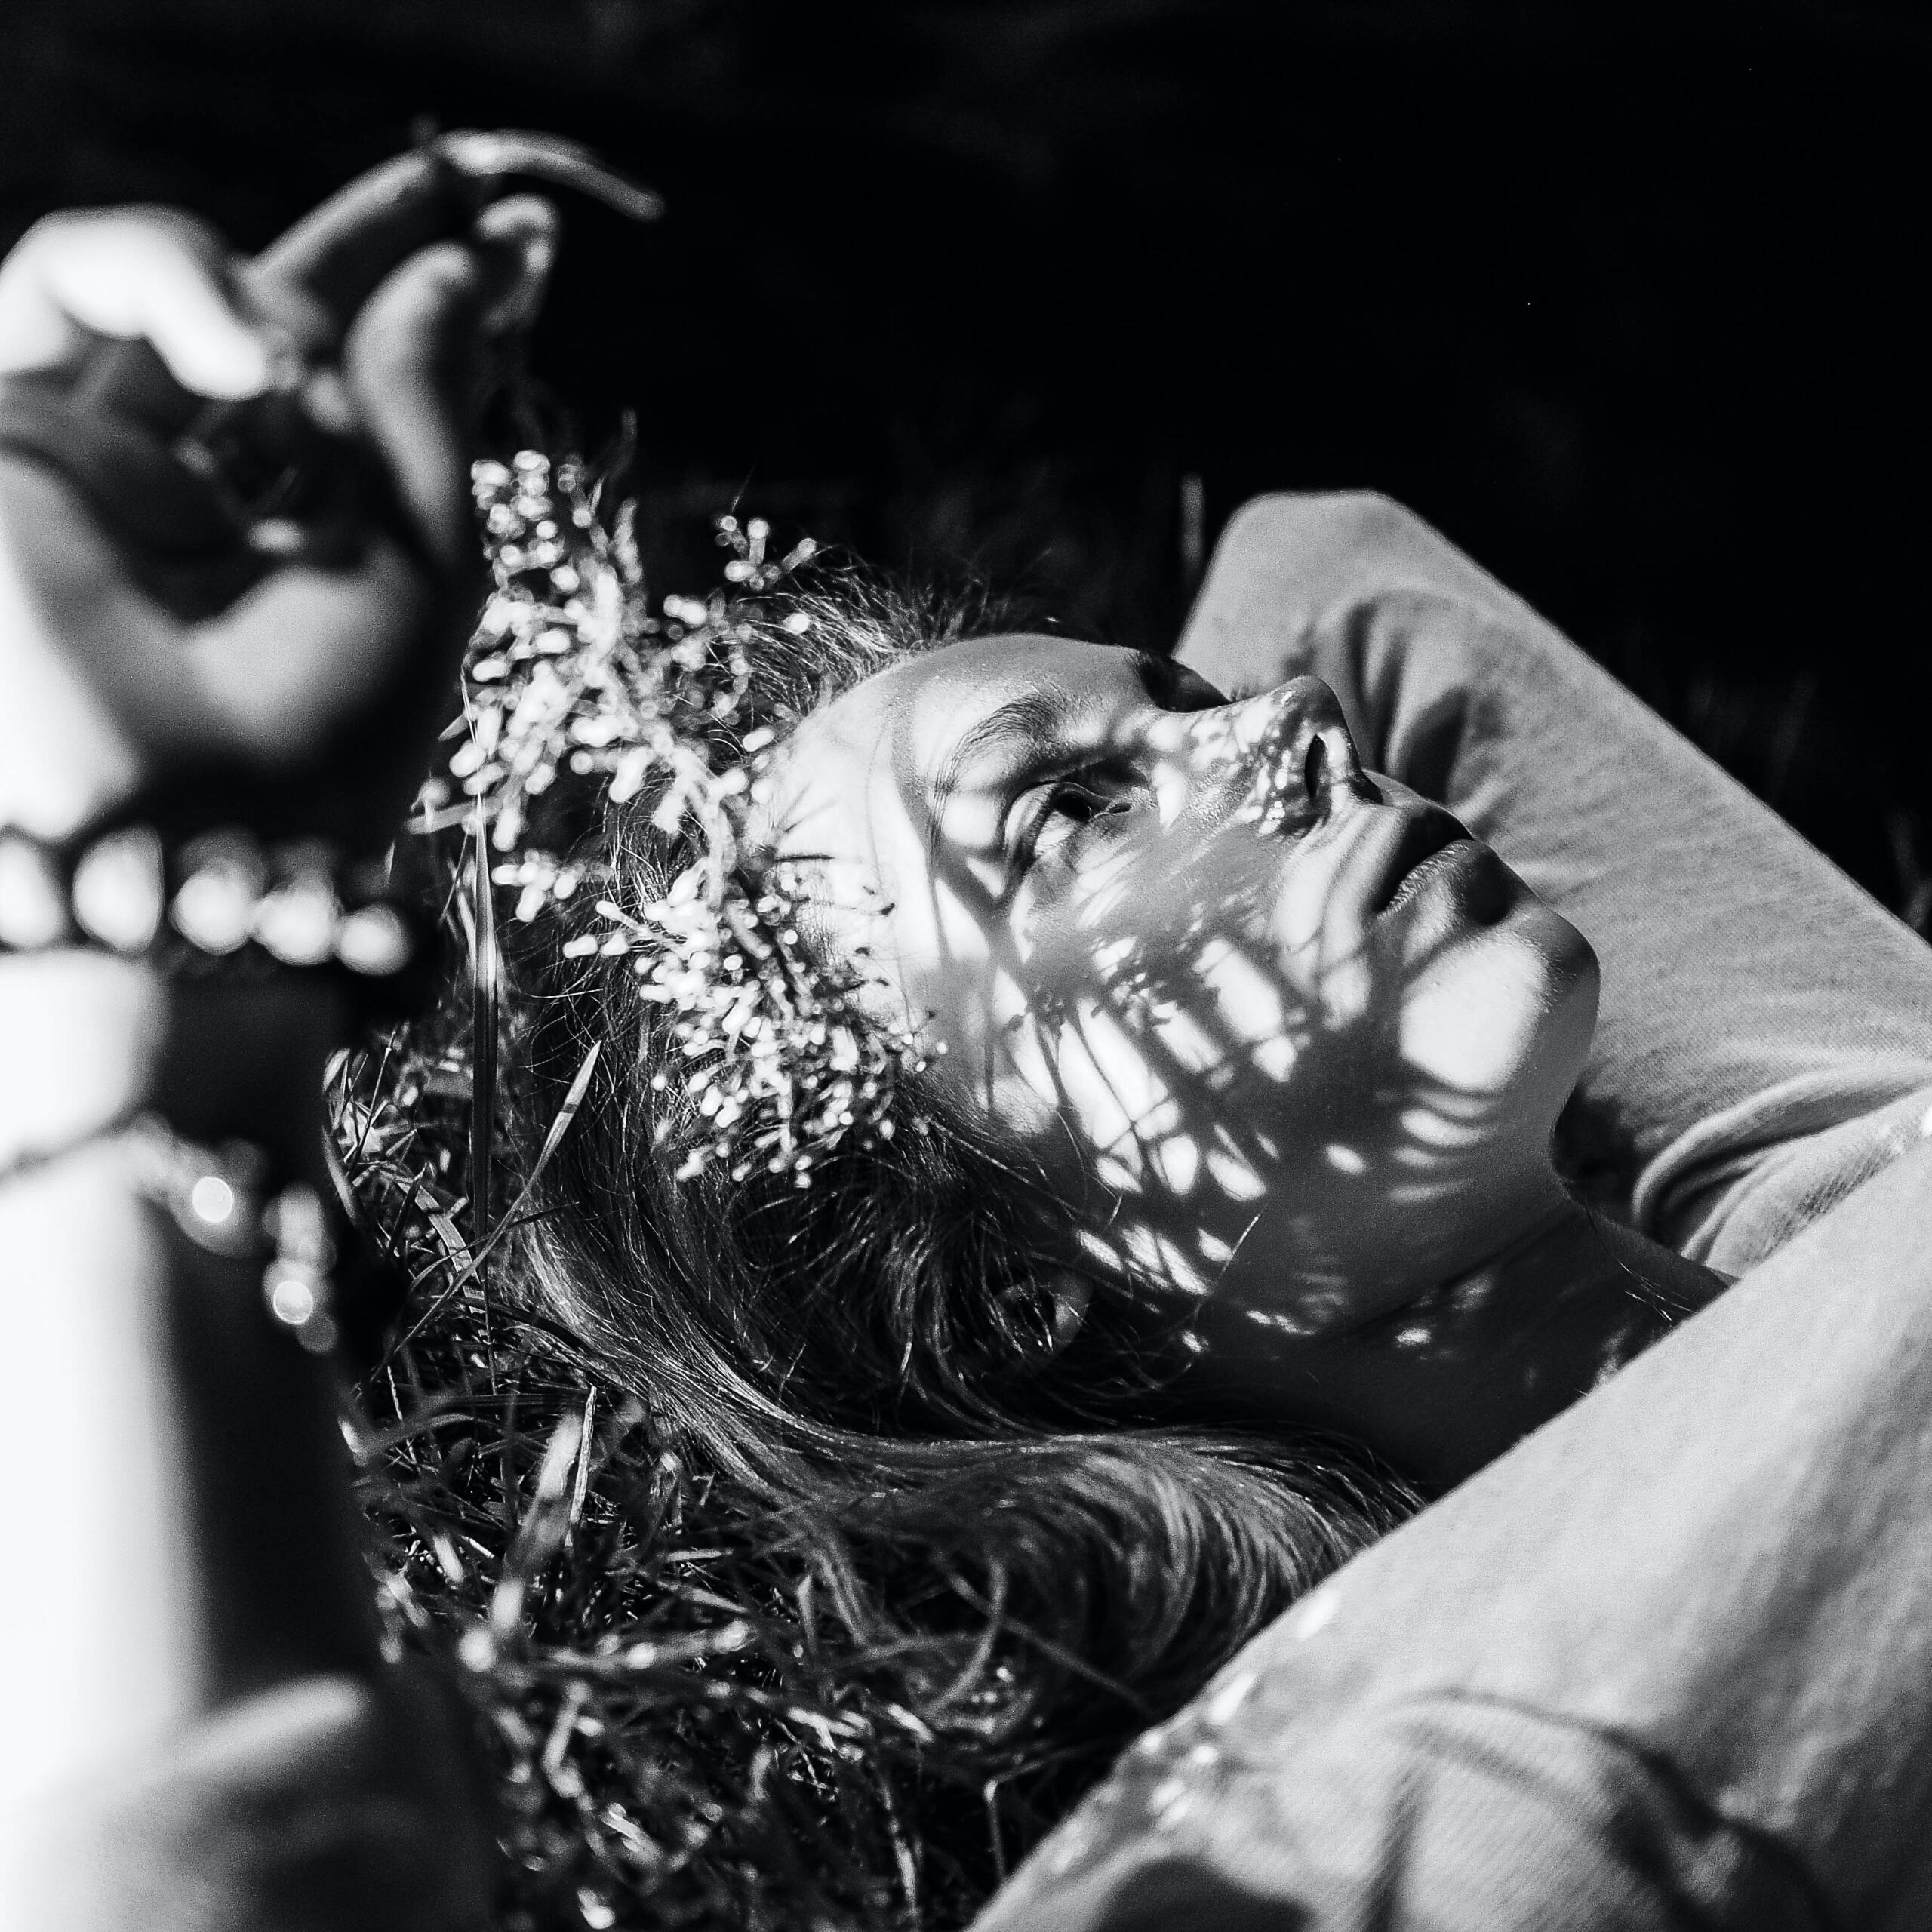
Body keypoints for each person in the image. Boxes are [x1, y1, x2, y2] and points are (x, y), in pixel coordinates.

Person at [2, 149, 1928, 1928]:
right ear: (1009, 1278)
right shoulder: (1349, 1801)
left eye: (1189, 703)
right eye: (1070, 814)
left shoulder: (1822, 1170)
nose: (1289, 733)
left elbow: (1330, 572)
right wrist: (149, 1019)